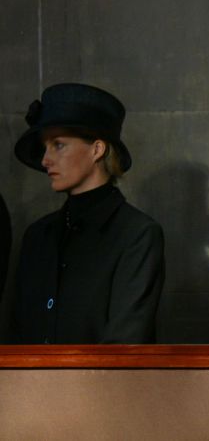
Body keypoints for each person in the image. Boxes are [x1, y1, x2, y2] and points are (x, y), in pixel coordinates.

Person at [12, 83, 165, 343]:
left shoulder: (137, 235)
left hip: (103, 383)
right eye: (45, 146)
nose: (45, 159)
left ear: (97, 149)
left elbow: (126, 343)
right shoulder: (38, 235)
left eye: (58, 145)